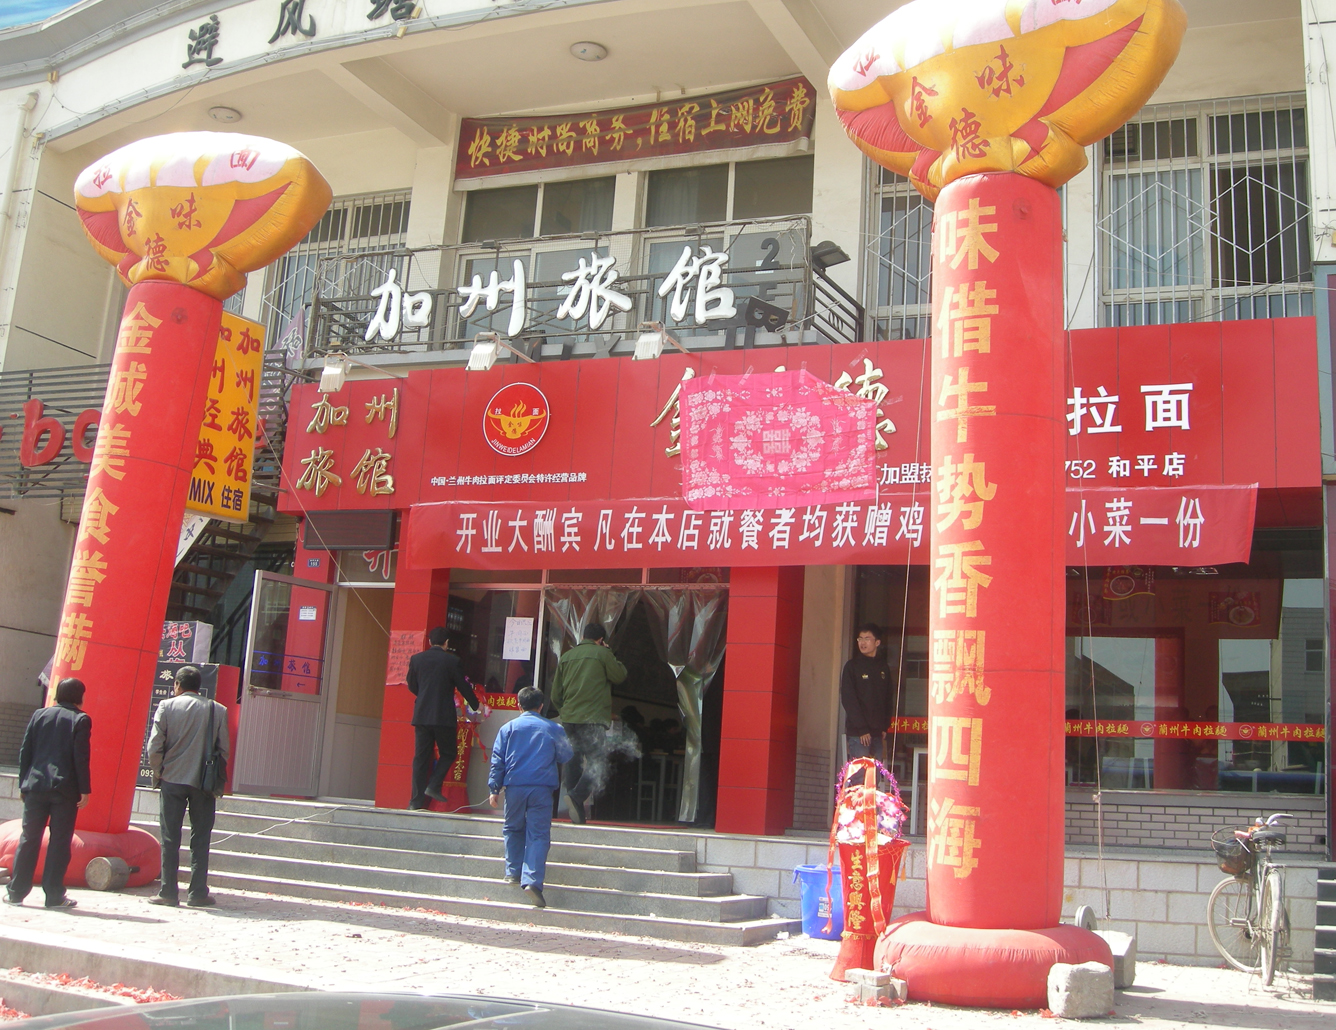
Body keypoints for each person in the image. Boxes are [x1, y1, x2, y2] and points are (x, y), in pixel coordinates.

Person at [146, 665, 229, 907]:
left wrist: (159, 771)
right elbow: (224, 749)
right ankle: (197, 893)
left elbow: (154, 746)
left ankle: (168, 892)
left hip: (171, 779)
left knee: (169, 837)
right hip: (203, 782)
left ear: (177, 685)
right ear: (198, 686)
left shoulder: (166, 706)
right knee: (201, 837)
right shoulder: (217, 709)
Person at [5, 678, 91, 909]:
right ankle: (53, 896)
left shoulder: (39, 715)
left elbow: (26, 751)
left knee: (29, 838)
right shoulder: (81, 719)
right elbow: (80, 757)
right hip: (64, 790)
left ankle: (16, 893)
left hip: (35, 786)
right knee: (60, 842)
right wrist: (85, 789)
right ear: (79, 696)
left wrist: (23, 784)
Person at [487, 685, 572, 909]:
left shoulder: (507, 728)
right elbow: (566, 755)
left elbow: (497, 760)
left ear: (518, 705)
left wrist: (494, 789)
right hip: (541, 789)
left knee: (512, 828)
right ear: (541, 706)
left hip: (514, 788)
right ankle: (532, 881)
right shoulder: (554, 728)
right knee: (538, 834)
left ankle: (513, 872)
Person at [549, 623, 626, 824]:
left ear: (583, 636)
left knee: (573, 761)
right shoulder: (603, 654)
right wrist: (609, 652)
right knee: (598, 762)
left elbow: (555, 695)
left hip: (569, 718)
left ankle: (577, 811)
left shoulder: (567, 657)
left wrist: (565, 712)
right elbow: (620, 675)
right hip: (592, 718)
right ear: (601, 640)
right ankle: (576, 797)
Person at [406, 627, 480, 809]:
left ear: (430, 641)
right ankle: (433, 785)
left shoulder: (416, 659)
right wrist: (475, 704)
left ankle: (415, 802)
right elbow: (462, 686)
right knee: (448, 753)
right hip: (443, 716)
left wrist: (424, 696)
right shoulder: (452, 661)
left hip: (422, 715)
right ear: (446, 643)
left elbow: (412, 685)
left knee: (421, 759)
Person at [840, 623, 896, 783]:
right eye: (860, 639)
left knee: (874, 778)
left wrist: (885, 726)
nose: (862, 643)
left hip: (877, 733)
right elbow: (849, 699)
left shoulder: (883, 668)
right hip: (859, 734)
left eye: (867, 639)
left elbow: (888, 698)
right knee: (860, 778)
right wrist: (862, 728)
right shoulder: (852, 667)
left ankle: (871, 802)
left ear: (877, 642)